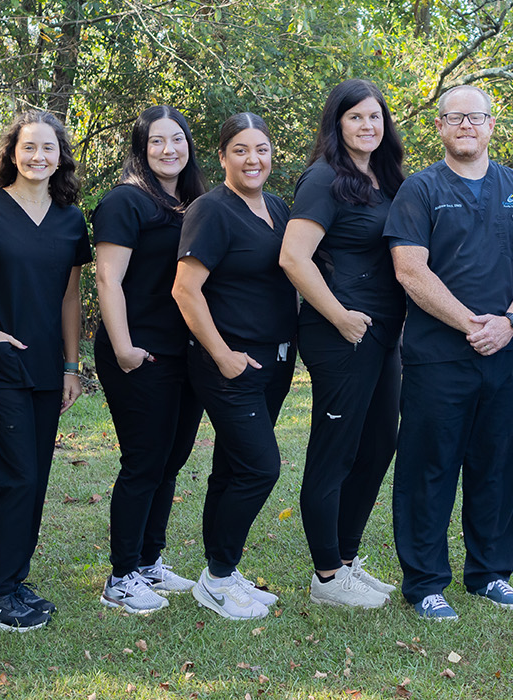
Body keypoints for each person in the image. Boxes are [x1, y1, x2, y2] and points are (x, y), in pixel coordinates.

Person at [386, 84, 513, 621]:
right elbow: (410, 270)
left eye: (475, 117)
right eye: (454, 118)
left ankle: (491, 574)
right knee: (429, 468)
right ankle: (426, 582)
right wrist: (469, 324)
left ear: (490, 124)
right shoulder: (420, 189)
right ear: (439, 127)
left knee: (499, 466)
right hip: (439, 355)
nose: (466, 126)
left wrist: (510, 322)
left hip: (504, 353)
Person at [0, 110, 92, 632]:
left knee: (35, 481)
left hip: (48, 368)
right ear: (12, 153)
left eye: (48, 148)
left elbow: (71, 296)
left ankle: (13, 579)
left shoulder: (71, 219)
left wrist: (72, 365)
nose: (38, 157)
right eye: (28, 148)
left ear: (61, 156)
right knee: (15, 480)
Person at [279, 80, 409, 609]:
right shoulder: (323, 178)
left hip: (383, 335)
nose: (367, 127)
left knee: (378, 444)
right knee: (335, 452)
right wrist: (339, 316)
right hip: (341, 334)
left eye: (375, 117)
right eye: (356, 117)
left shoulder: (386, 179)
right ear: (337, 124)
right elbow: (293, 257)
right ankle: (327, 576)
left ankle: (348, 560)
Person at [172, 113, 297, 621]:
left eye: (262, 150)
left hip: (276, 360)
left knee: (232, 466)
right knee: (260, 467)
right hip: (230, 362)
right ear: (222, 156)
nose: (253, 160)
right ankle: (217, 580)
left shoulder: (278, 208)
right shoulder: (211, 210)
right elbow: (185, 289)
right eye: (241, 150)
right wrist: (223, 356)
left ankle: (223, 568)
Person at [94, 106, 209, 615]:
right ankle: (120, 576)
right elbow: (108, 280)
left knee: (172, 460)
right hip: (138, 351)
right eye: (157, 141)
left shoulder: (194, 203)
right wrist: (123, 348)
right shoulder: (124, 202)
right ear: (141, 149)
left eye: (177, 139)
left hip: (185, 351)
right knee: (144, 461)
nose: (169, 150)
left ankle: (148, 561)